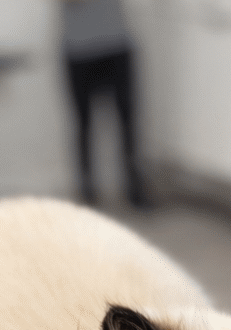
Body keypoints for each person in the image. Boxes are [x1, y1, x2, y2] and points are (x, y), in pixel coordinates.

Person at [61, 0, 148, 208]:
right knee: (83, 124)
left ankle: (134, 188)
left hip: (116, 42)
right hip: (79, 49)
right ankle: (87, 190)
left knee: (128, 122)